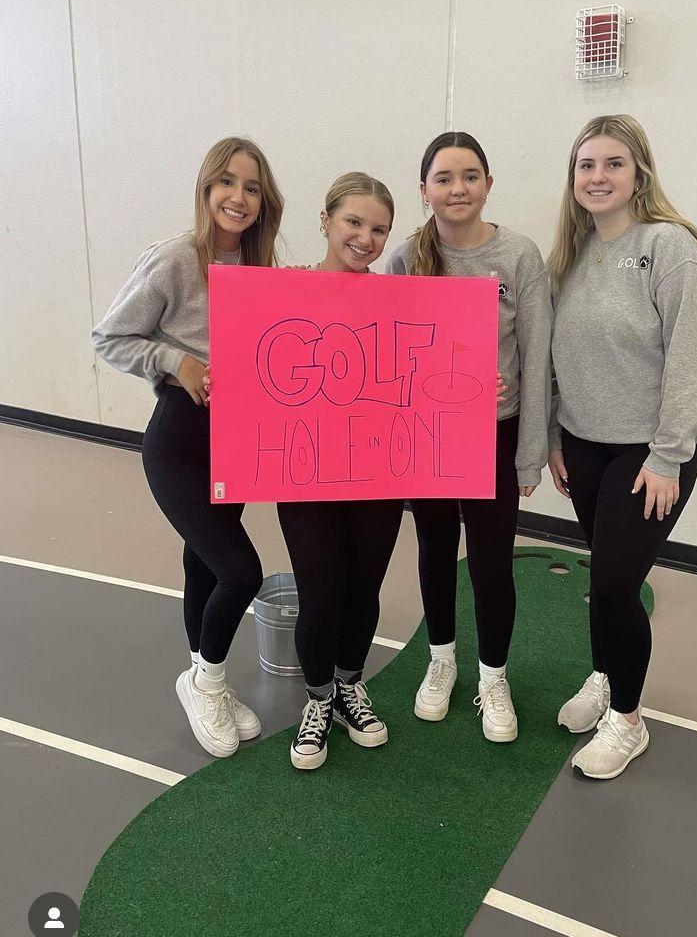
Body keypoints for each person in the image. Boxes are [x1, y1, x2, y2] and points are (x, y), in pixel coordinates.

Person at [92, 137, 284, 758]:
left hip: (236, 442)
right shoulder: (174, 259)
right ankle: (203, 682)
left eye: (251, 187)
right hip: (178, 440)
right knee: (241, 571)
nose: (238, 197)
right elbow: (110, 337)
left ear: (264, 201)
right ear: (206, 189)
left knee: (203, 563)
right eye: (227, 182)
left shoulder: (260, 269)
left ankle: (210, 675)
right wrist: (176, 361)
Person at [547, 114, 697, 779]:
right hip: (584, 444)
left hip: (648, 452)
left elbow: (693, 359)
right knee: (603, 577)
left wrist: (669, 455)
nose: (598, 177)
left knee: (616, 586)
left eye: (613, 163)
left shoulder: (671, 248)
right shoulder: (570, 257)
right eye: (586, 165)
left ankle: (627, 719)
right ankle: (605, 675)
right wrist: (557, 435)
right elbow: (560, 357)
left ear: (639, 173)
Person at [386, 132, 553, 743]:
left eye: (470, 176)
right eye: (444, 178)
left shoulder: (519, 256)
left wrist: (530, 454)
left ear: (488, 184)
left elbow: (537, 357)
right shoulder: (406, 259)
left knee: (490, 561)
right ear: (423, 189)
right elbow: (387, 354)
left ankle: (493, 675)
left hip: (495, 435)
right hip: (428, 434)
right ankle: (441, 660)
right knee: (434, 548)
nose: (458, 189)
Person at [279, 172, 404, 771]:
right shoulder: (282, 291)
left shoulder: (398, 302)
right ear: (326, 220)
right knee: (321, 590)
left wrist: (479, 385)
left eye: (379, 229)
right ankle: (319, 698)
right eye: (354, 222)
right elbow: (257, 370)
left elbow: (425, 376)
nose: (365, 238)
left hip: (378, 472)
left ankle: (350, 685)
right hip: (303, 470)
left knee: (363, 587)